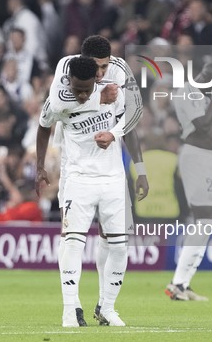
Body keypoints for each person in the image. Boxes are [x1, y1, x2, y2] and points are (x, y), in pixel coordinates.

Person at [47, 35, 148, 325]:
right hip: (74, 164)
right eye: (96, 67)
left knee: (114, 237)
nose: (102, 73)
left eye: (105, 67)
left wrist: (135, 162)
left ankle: (105, 306)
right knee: (71, 235)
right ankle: (72, 306)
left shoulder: (120, 69)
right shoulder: (66, 67)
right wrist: (97, 97)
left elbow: (136, 112)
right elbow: (55, 103)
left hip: (111, 169)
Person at [36, 56, 128, 327]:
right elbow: (43, 126)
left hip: (112, 178)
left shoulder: (113, 89)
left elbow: (130, 120)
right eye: (78, 89)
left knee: (120, 246)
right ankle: (69, 309)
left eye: (88, 88)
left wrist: (115, 135)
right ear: (69, 81)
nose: (83, 94)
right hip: (77, 178)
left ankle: (107, 308)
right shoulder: (60, 97)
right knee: (73, 241)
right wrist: (39, 165)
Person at [166, 62, 212, 301]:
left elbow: (205, 124)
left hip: (209, 157)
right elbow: (201, 125)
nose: (207, 78)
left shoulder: (202, 96)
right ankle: (177, 284)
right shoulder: (187, 91)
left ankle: (183, 283)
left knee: (207, 222)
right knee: (203, 219)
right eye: (206, 73)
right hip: (195, 157)